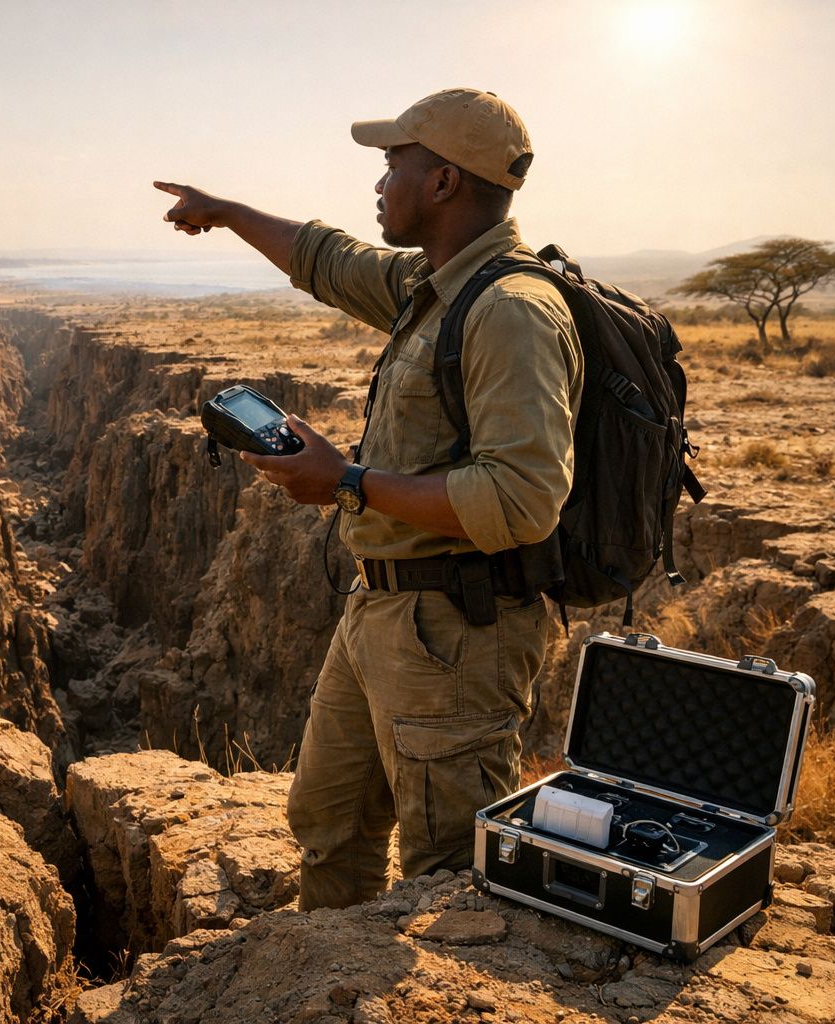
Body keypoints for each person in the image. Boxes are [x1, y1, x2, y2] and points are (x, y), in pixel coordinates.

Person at [155, 88, 582, 910]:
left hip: (456, 635)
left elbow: (523, 498)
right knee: (330, 821)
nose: (379, 185)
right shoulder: (437, 286)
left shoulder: (509, 312)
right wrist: (228, 213)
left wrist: (346, 481)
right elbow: (327, 259)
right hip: (381, 612)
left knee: (447, 871)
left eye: (392, 166)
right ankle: (331, 967)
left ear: (443, 182)